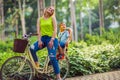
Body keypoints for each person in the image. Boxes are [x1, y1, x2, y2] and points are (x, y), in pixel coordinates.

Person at [30, 6, 62, 80]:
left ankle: (58, 77)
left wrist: (52, 39)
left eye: (53, 10)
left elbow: (55, 29)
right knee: (31, 48)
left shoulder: (52, 18)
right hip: (43, 39)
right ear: (46, 9)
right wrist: (39, 40)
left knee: (52, 57)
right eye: (50, 8)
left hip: (52, 39)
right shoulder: (40, 19)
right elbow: (39, 30)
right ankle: (37, 66)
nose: (51, 10)